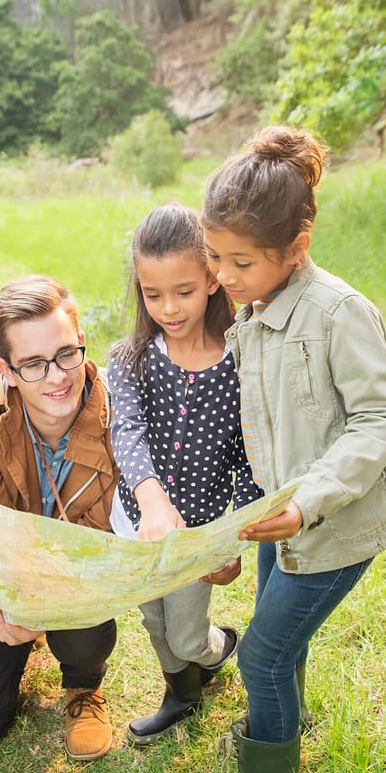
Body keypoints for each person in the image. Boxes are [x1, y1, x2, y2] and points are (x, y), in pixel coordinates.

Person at [187, 125, 386, 773]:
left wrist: (309, 500)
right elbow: (256, 424)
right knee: (276, 638)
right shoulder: (253, 308)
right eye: (213, 257)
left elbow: (380, 417)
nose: (222, 278)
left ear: (296, 247)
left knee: (258, 655)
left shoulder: (336, 314)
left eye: (240, 263)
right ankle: (290, 723)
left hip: (336, 521)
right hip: (275, 512)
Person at [0, 275, 120, 761]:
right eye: (34, 365)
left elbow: (104, 539)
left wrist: (45, 602)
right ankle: (17, 645)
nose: (57, 376)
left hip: (77, 577)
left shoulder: (119, 416)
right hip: (7, 585)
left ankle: (84, 686)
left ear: (82, 343)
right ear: (6, 368)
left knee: (83, 628)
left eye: (67, 354)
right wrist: (3, 608)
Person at [107, 204, 261, 744]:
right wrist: (151, 500)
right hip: (137, 525)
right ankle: (181, 696)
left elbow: (249, 458)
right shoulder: (131, 358)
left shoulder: (241, 362)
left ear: (214, 281)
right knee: (154, 622)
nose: (168, 308)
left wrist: (233, 536)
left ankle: (220, 648)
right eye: (153, 294)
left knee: (189, 635)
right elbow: (124, 431)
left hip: (199, 536)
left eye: (184, 291)